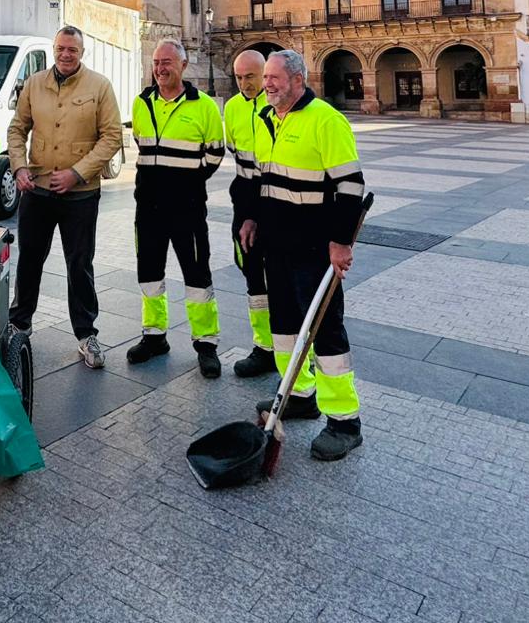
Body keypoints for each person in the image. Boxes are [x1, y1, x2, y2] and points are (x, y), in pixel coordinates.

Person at [246, 49, 368, 461]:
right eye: (265, 78)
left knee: (325, 329)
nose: (268, 85)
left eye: (275, 78)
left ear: (298, 79)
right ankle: (298, 394)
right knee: (283, 324)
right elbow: (265, 180)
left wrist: (340, 242)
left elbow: (350, 187)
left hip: (314, 249)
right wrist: (252, 220)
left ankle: (344, 421)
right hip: (275, 245)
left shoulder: (326, 120)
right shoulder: (267, 120)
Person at [6, 26, 122, 369]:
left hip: (81, 194)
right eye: (61, 48)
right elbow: (17, 129)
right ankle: (20, 323)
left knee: (79, 263)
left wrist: (77, 173)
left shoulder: (99, 86)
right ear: (54, 50)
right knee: (29, 260)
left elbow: (112, 136)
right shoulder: (34, 83)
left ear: (81, 52)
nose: (65, 54)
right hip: (37, 189)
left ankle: (86, 335)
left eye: (72, 49)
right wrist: (18, 167)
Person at [127, 39, 225, 378]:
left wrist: (187, 183)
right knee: (149, 273)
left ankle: (206, 344)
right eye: (156, 62)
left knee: (197, 275)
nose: (160, 68)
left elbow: (215, 153)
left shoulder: (205, 106)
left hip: (187, 209)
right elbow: (139, 142)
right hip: (148, 209)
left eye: (167, 61)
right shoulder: (142, 103)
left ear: (183, 65)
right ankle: (154, 336)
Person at [225, 49, 275, 378]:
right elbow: (234, 153)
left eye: (251, 77)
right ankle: (264, 348)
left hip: (276, 201)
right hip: (244, 196)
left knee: (283, 278)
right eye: (240, 78)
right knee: (252, 275)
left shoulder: (278, 107)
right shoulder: (230, 108)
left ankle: (296, 349)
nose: (245, 84)